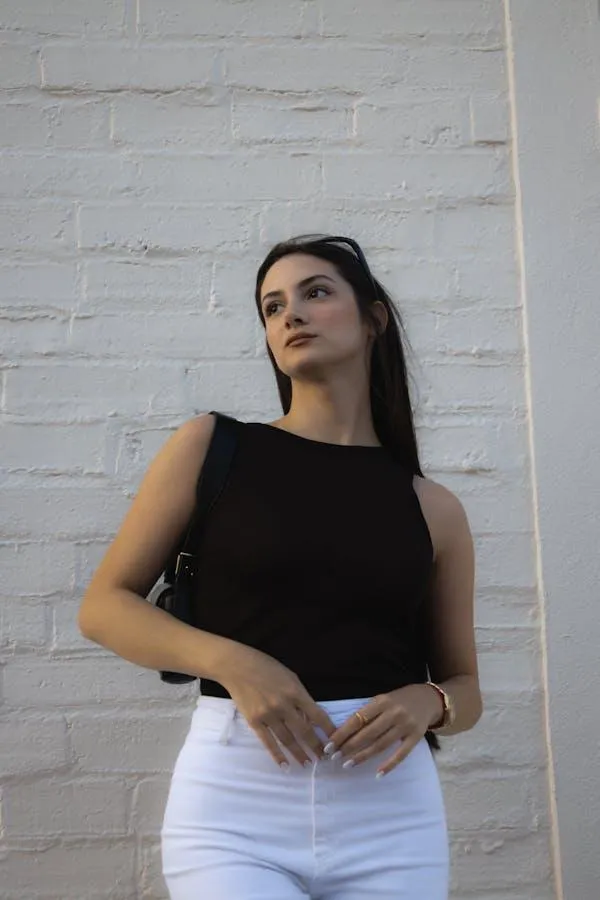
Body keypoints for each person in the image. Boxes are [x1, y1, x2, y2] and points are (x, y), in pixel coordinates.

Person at [78, 233, 482, 899]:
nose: (289, 314)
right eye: (271, 306)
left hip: (390, 813)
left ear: (373, 318)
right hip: (235, 807)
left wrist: (428, 701)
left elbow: (465, 688)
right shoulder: (214, 448)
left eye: (315, 293)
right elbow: (103, 607)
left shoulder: (434, 508)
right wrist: (238, 662)